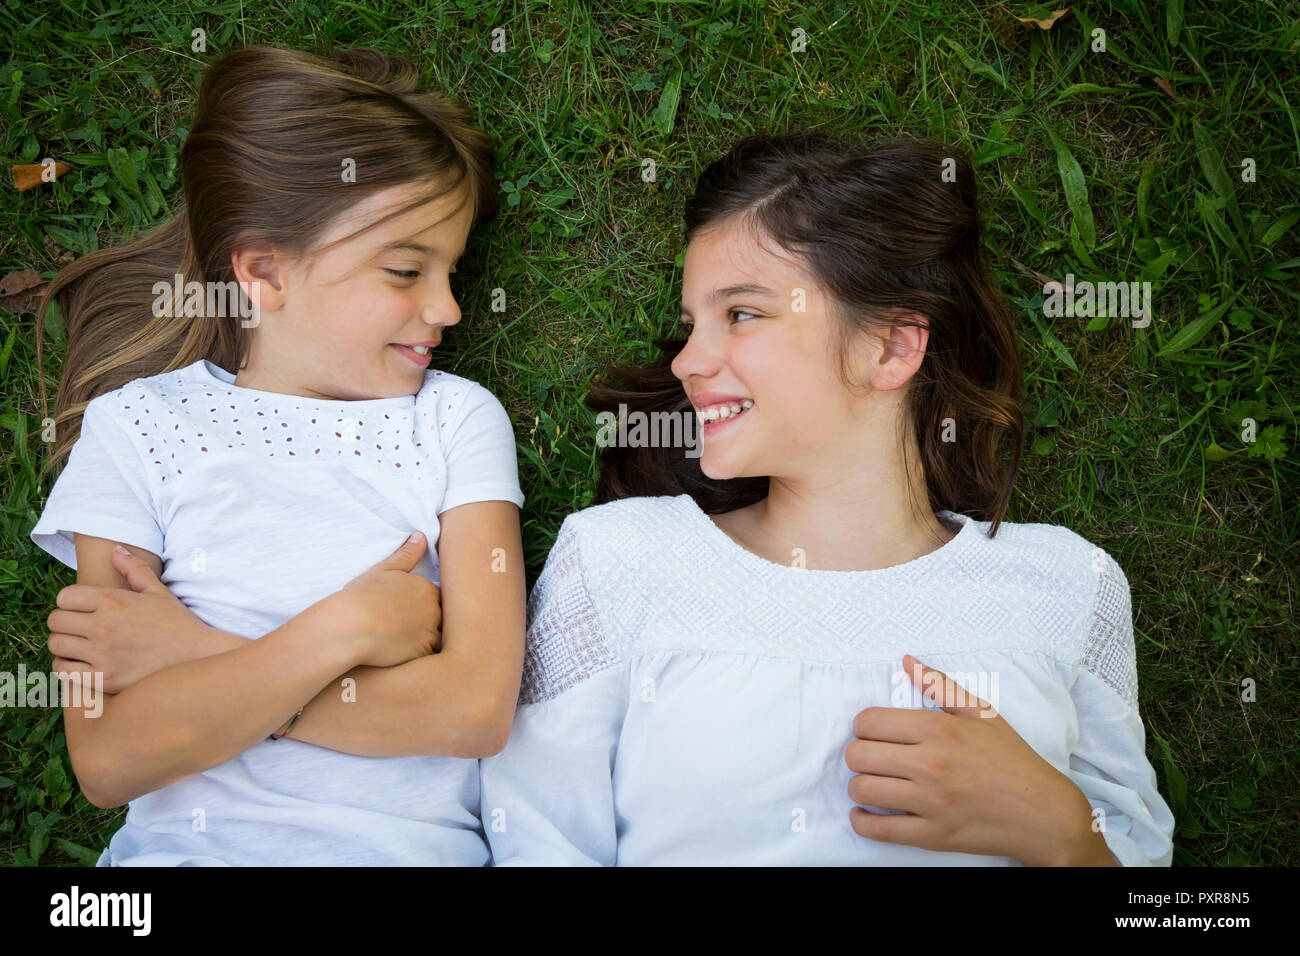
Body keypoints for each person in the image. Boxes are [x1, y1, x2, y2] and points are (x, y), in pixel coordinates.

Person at [478, 132, 1176, 866]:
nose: (687, 360)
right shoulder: (618, 560)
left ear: (891, 349)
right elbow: (534, 840)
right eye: (692, 325)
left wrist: (1066, 835)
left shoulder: (1068, 586)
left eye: (741, 314)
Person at [29, 46, 526, 865]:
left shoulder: (456, 422)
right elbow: (109, 761)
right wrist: (340, 630)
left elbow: (475, 710)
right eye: (406, 269)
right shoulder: (137, 428)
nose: (447, 307)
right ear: (265, 271)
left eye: (452, 270)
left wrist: (191, 651)